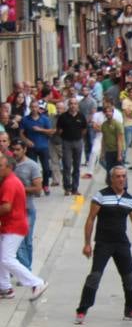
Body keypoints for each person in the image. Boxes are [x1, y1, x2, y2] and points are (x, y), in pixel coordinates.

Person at [75, 164, 132, 323]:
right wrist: (87, 243)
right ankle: (82, 310)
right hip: (103, 243)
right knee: (95, 276)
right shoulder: (100, 196)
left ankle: (130, 309)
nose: (121, 179)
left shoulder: (129, 199)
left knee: (129, 277)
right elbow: (90, 219)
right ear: (111, 179)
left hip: (121, 243)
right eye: (118, 176)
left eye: (124, 176)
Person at [0, 154, 46, 301]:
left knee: (7, 258)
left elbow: (6, 207)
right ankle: (5, 287)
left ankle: (37, 282)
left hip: (14, 226)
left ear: (9, 167)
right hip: (12, 225)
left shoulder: (9, 183)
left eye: (0, 166)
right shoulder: (9, 180)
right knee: (2, 257)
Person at [11, 143, 41, 269]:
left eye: (18, 150)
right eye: (13, 150)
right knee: (16, 242)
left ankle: (26, 269)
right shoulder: (9, 165)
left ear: (25, 149)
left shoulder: (32, 166)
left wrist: (19, 189)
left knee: (26, 241)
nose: (15, 152)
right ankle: (20, 268)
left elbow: (38, 189)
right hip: (11, 210)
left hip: (27, 209)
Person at [54, 99, 87, 194]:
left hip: (78, 142)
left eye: (75, 104)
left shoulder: (81, 116)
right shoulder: (63, 117)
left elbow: (84, 129)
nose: (73, 106)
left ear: (77, 105)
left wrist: (79, 137)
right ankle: (67, 187)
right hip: (66, 142)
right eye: (71, 104)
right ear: (68, 105)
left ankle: (75, 188)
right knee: (67, 165)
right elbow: (59, 130)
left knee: (77, 166)